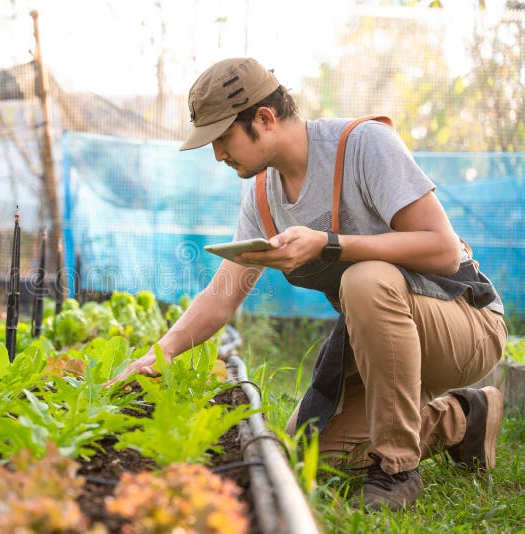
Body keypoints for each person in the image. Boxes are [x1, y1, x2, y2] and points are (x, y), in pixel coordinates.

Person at [104, 57, 508, 511]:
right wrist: (160, 354)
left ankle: (398, 468)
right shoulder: (262, 195)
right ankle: (464, 418)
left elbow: (442, 248)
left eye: (222, 138)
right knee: (312, 455)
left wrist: (328, 244)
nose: (218, 154)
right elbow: (221, 297)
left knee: (365, 279)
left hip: (464, 324)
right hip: (383, 344)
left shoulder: (362, 145)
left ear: (264, 118)